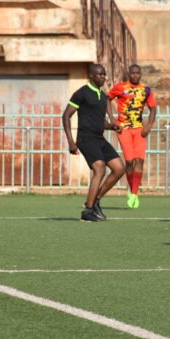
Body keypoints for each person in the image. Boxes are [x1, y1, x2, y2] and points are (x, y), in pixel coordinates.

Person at [62, 63, 126, 222]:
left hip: (99, 138)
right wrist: (71, 141)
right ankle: (88, 211)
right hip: (85, 138)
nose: (103, 77)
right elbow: (66, 115)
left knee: (119, 168)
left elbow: (99, 121)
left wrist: (111, 126)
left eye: (104, 74)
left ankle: (95, 199)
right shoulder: (82, 93)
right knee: (100, 169)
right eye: (100, 74)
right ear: (91, 76)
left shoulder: (103, 96)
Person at [107, 64, 157, 209]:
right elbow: (107, 99)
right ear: (129, 74)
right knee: (129, 162)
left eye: (137, 73)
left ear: (140, 74)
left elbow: (153, 108)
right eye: (133, 73)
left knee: (139, 160)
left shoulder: (146, 90)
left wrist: (148, 126)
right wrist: (112, 119)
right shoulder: (120, 87)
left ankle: (134, 193)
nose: (135, 75)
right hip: (124, 129)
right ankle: (131, 188)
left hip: (139, 129)